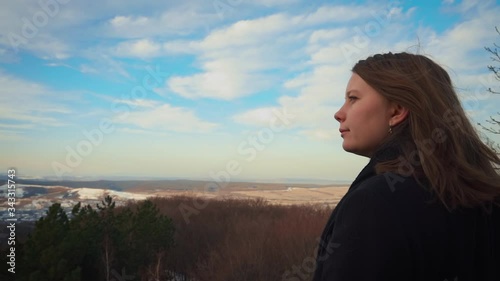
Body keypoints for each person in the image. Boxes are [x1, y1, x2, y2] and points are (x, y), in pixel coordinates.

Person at [313, 52, 500, 281]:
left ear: (397, 110)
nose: (339, 114)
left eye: (353, 98)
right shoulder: (484, 197)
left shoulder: (375, 204)